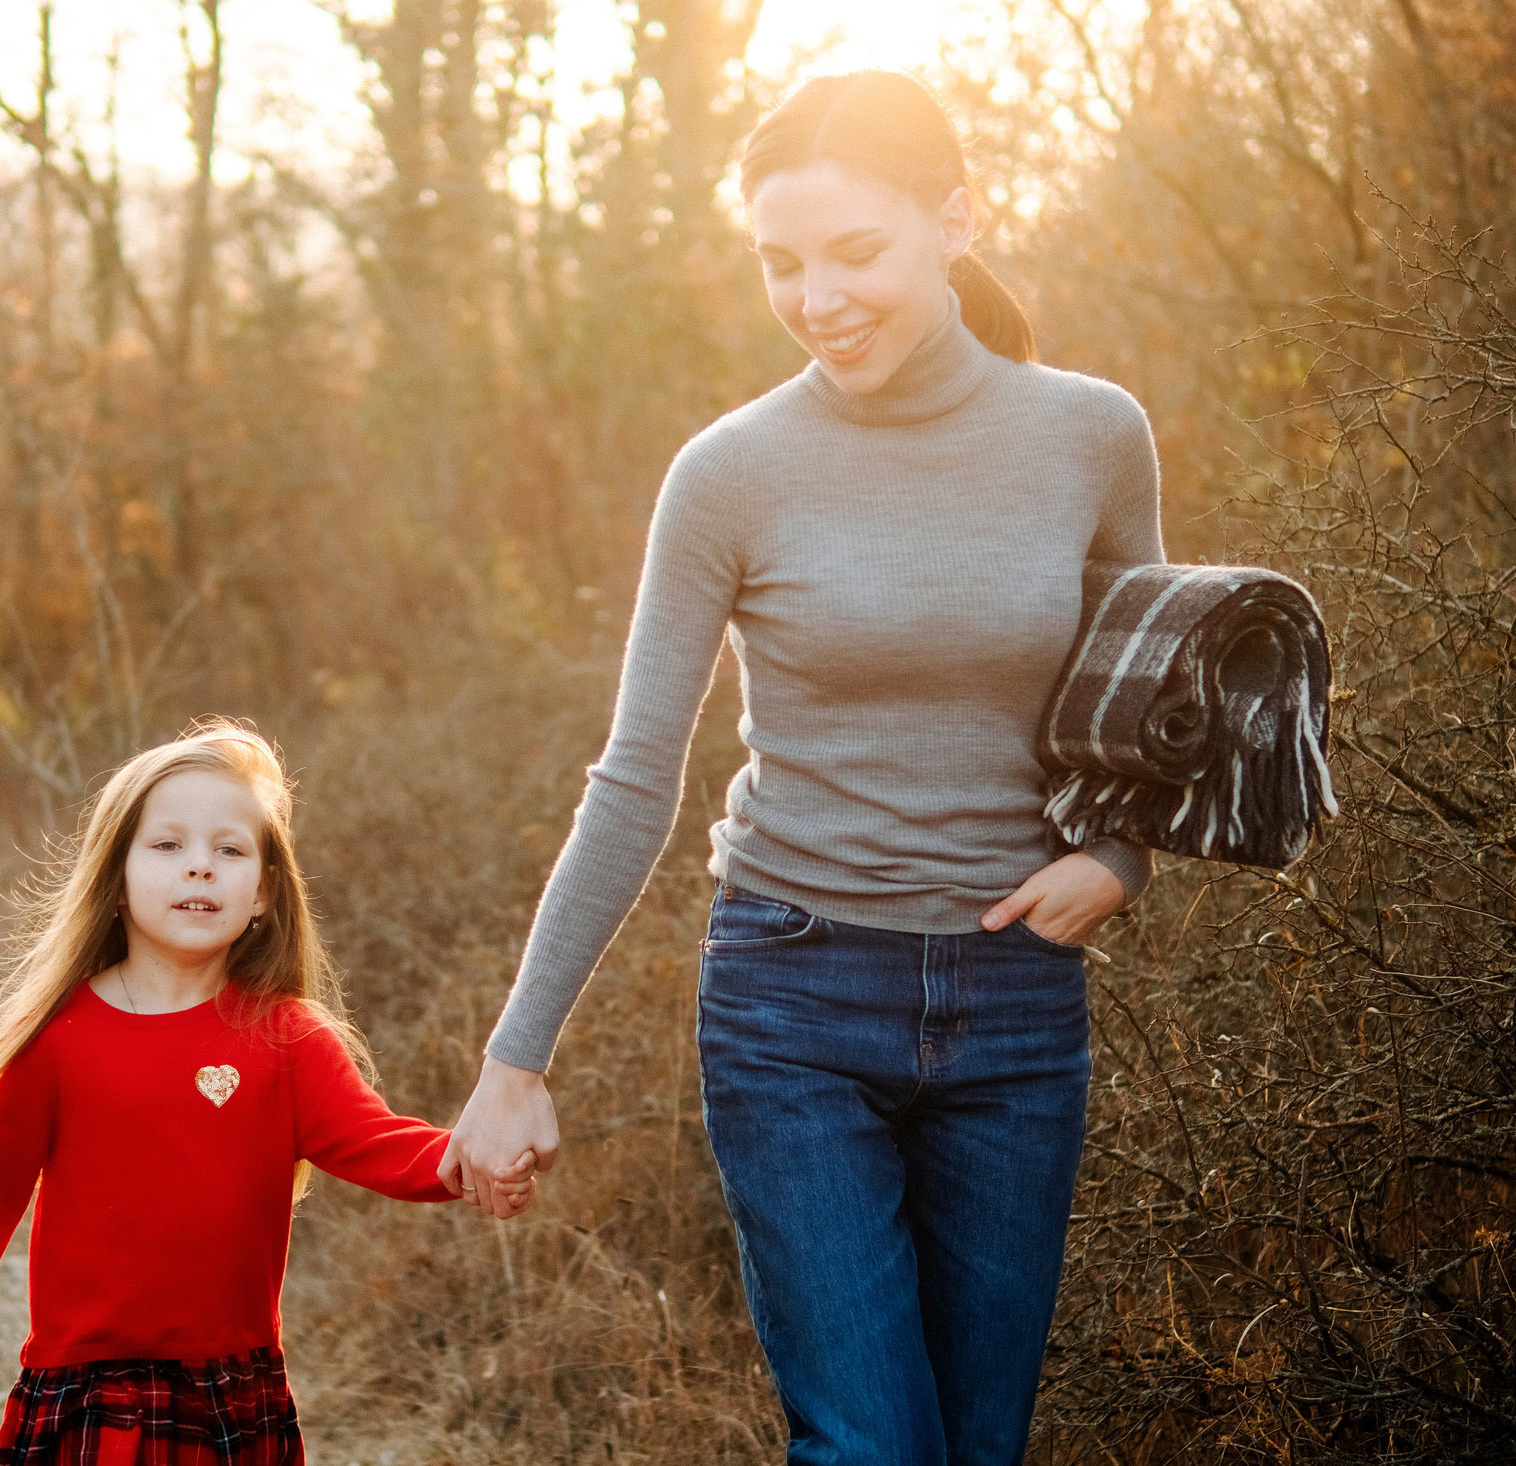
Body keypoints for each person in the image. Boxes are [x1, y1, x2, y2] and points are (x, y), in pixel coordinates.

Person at [438, 72, 1166, 1466]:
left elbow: (1150, 707)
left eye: (856, 253)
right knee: (873, 1447)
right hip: (795, 996)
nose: (818, 297)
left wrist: (1119, 856)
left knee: (978, 1443)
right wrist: (516, 1056)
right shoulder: (730, 473)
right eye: (782, 262)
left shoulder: (1090, 435)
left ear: (956, 220)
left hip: (1017, 1004)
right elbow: (635, 775)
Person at [0, 721, 537, 1464]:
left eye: (229, 850)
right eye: (168, 846)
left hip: (235, 1396)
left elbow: (377, 1144)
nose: (200, 868)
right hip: (88, 1391)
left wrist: (472, 1159)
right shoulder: (56, 1042)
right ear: (115, 881)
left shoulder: (287, 1040)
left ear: (262, 894)